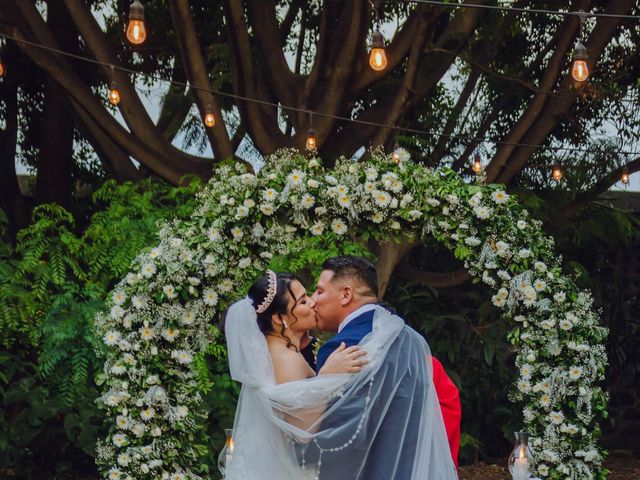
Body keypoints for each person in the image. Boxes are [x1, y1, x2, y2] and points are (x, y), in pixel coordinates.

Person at [225, 267, 457, 479]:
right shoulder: (287, 360)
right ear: (279, 318)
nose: (313, 302)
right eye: (304, 300)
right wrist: (326, 377)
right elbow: (301, 433)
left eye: (313, 294)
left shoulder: (282, 353)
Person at [313, 255, 461, 468]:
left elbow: (336, 435)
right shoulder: (408, 339)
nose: (313, 300)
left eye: (319, 291)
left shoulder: (342, 347)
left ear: (345, 294)